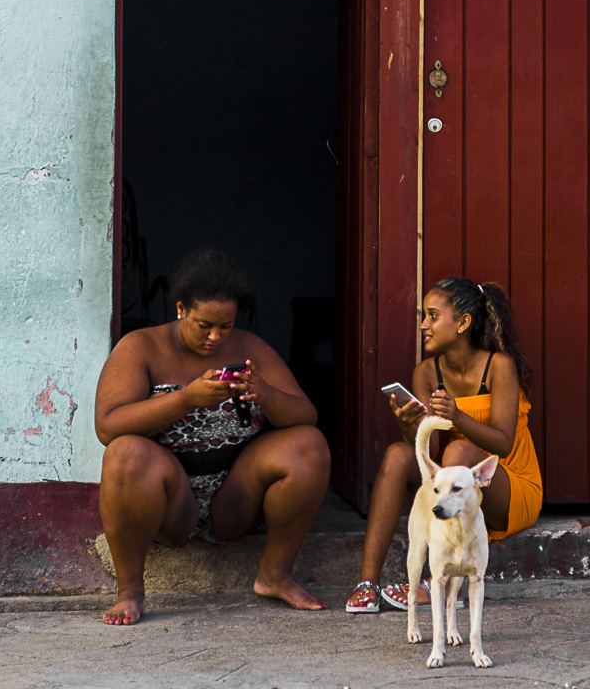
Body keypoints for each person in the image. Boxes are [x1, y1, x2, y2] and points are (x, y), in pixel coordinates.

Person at [94, 249, 332, 626]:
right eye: (204, 324)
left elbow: (307, 415)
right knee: (125, 453)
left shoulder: (249, 347)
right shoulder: (140, 347)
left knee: (309, 445)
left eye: (226, 325)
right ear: (180, 310)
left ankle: (275, 575)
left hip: (234, 497)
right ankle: (130, 591)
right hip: (168, 502)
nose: (216, 337)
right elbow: (108, 426)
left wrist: (264, 393)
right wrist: (186, 398)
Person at [344, 276, 543, 614]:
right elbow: (430, 445)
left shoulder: (499, 367)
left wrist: (458, 416)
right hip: (453, 486)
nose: (424, 325)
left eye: (433, 316)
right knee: (397, 455)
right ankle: (367, 584)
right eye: (424, 316)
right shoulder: (425, 373)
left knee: (458, 454)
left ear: (463, 322)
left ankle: (450, 583)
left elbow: (504, 444)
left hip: (507, 485)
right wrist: (411, 424)